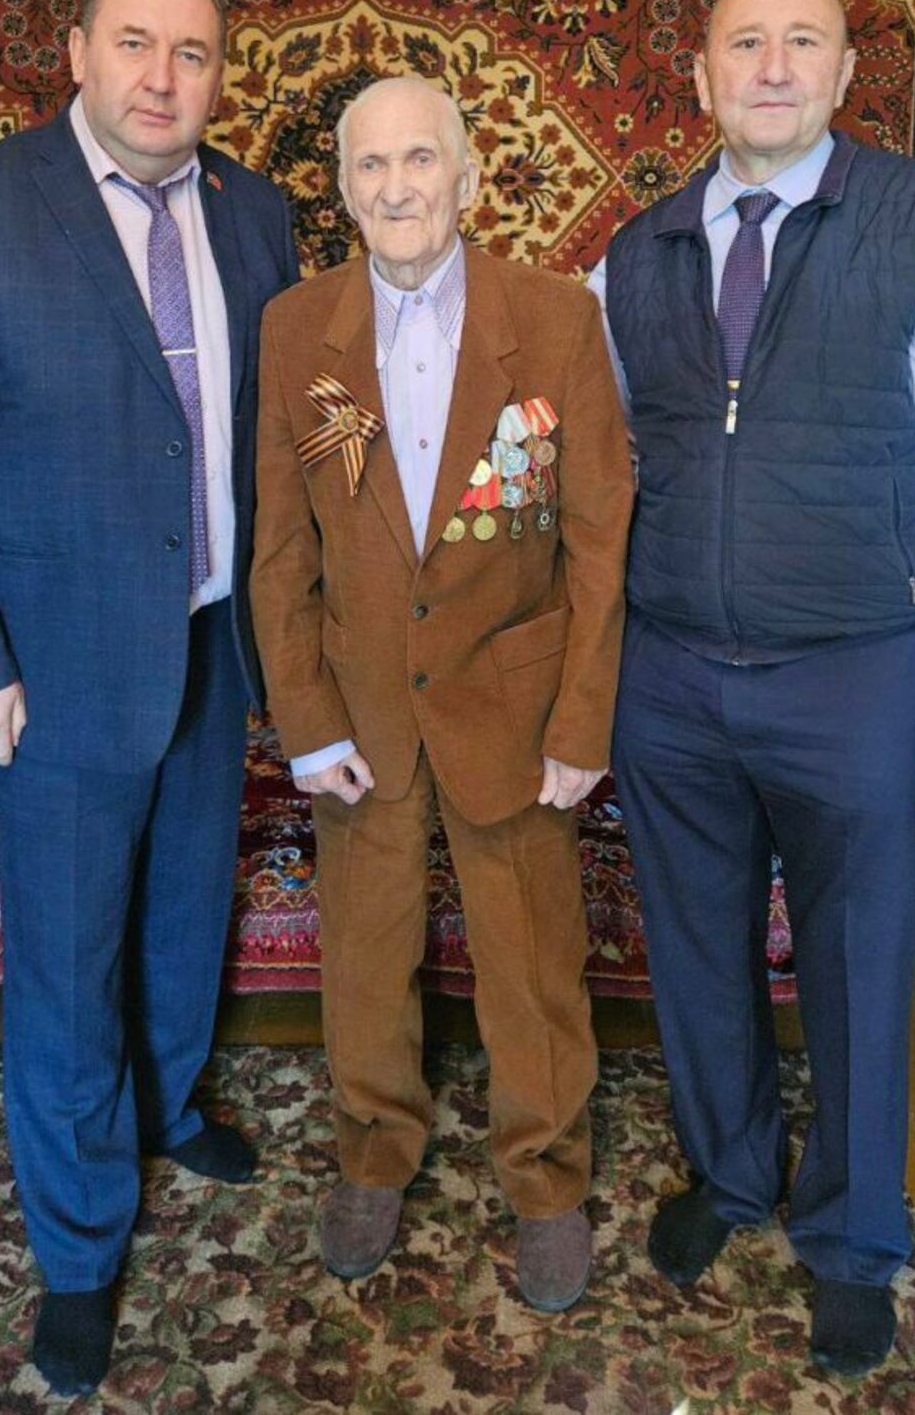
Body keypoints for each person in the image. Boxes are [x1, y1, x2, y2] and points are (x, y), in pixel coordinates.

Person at [590, 0, 915, 1375]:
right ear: (701, 76)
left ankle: (853, 1234)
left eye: (804, 40)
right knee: (693, 944)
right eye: (746, 42)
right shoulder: (633, 255)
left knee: (858, 960)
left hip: (863, 676)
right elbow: (595, 467)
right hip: (672, 675)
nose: (774, 65)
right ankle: (732, 1173)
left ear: (848, 73)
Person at [0, 0, 299, 1396]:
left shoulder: (257, 212)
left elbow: (272, 430)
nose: (161, 78)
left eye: (191, 52)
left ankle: (167, 1107)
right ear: (76, 51)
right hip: (52, 664)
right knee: (65, 959)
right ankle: (76, 1247)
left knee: (186, 908)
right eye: (134, 43)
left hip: (212, 637)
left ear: (220, 73)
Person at [250, 76, 633, 1312]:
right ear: (340, 189)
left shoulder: (555, 319)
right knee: (364, 954)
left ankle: (546, 1179)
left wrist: (579, 720)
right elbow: (280, 551)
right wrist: (306, 723)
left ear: (468, 178)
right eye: (370, 165)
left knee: (531, 961)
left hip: (512, 708)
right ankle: (373, 1151)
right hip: (358, 710)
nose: (396, 186)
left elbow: (597, 540)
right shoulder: (293, 329)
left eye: (420, 160)